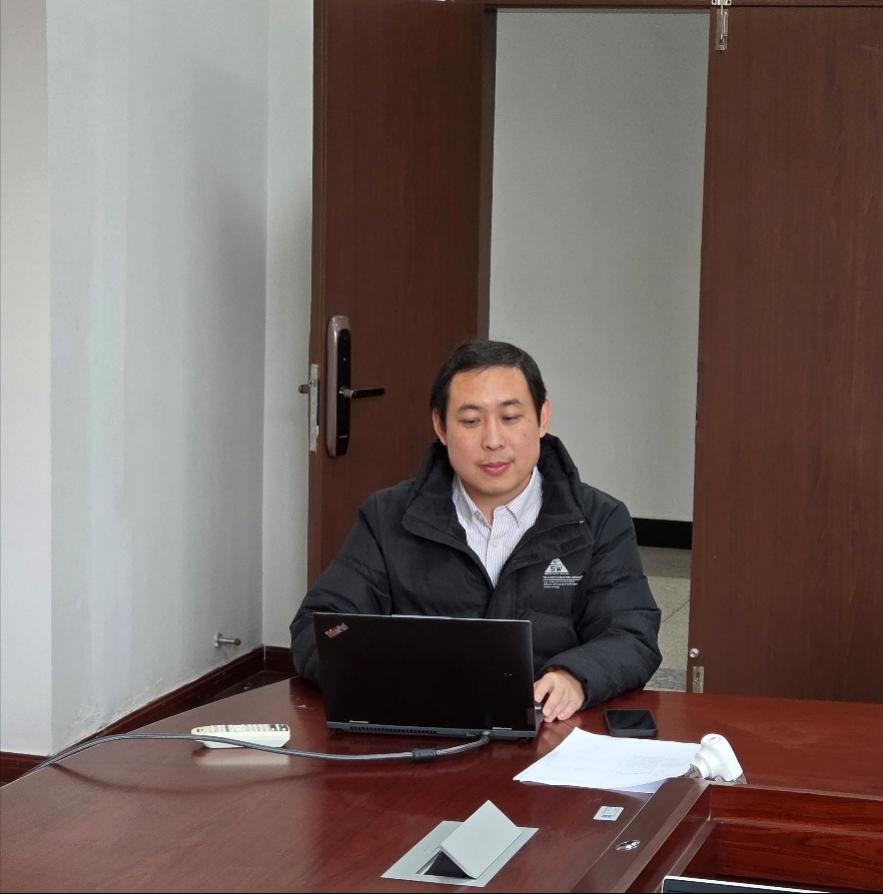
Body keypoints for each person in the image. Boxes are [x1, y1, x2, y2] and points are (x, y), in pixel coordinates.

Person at [290, 341, 661, 722]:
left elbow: (631, 634)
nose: (493, 441)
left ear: (542, 417)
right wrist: (394, 678)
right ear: (441, 427)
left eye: (511, 417)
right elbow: (320, 627)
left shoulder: (598, 519)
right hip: (419, 729)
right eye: (470, 421)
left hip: (551, 728)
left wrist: (574, 676)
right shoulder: (387, 516)